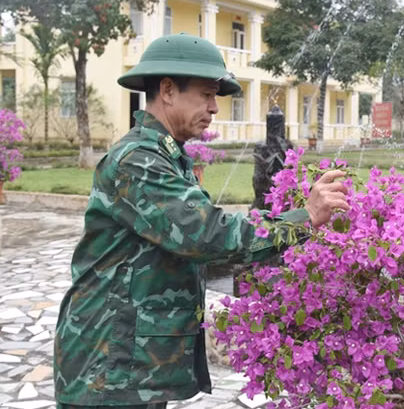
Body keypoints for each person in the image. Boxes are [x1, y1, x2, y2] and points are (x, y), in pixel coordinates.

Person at [54, 33, 350, 409]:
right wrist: (304, 217)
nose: (214, 107)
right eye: (206, 94)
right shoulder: (139, 160)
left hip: (127, 363)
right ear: (167, 89)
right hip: (108, 364)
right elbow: (206, 233)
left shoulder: (165, 156)